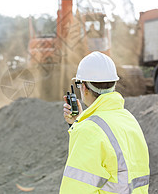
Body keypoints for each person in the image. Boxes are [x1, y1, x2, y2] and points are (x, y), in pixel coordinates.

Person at [59, 51, 150, 194]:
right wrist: (76, 123)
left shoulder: (89, 130)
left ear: (83, 86)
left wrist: (82, 125)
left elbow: (76, 189)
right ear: (113, 84)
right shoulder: (128, 119)